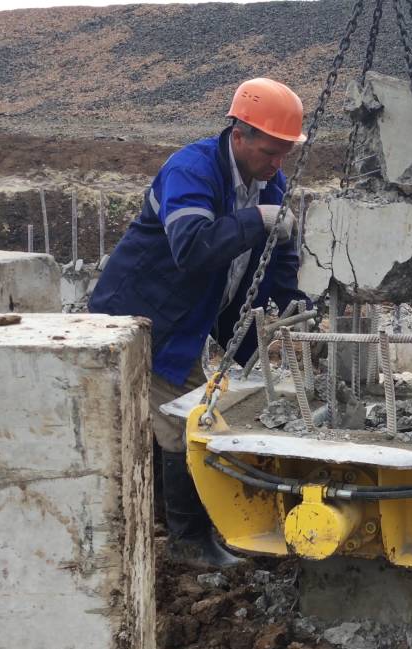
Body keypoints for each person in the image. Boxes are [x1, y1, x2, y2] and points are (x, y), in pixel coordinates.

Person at [90, 78, 310, 568]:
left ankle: (169, 520)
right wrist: (258, 220)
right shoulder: (192, 169)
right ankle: (188, 542)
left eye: (285, 154)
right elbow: (191, 249)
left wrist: (293, 306)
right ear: (239, 134)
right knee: (186, 422)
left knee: (181, 416)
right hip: (142, 319)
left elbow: (275, 264)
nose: (278, 163)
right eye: (271, 151)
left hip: (185, 321)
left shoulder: (268, 184)